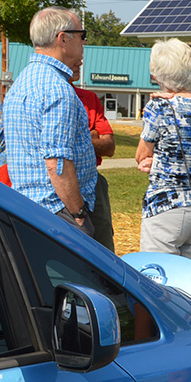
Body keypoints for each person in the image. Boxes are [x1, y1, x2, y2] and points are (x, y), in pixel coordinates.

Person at [2, 7, 97, 237]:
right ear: (63, 38)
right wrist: (79, 214)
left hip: (29, 208)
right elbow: (57, 163)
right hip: (58, 212)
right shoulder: (57, 90)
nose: (84, 43)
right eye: (81, 36)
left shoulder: (23, 82)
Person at [136, 39, 191, 285]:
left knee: (158, 285)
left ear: (156, 75)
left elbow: (142, 154)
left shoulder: (158, 106)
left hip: (165, 207)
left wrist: (154, 161)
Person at [73, 76, 116, 251]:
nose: (81, 58)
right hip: (56, 179)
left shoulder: (88, 99)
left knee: (102, 246)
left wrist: (76, 140)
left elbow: (109, 147)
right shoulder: (42, 95)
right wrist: (90, 136)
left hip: (92, 180)